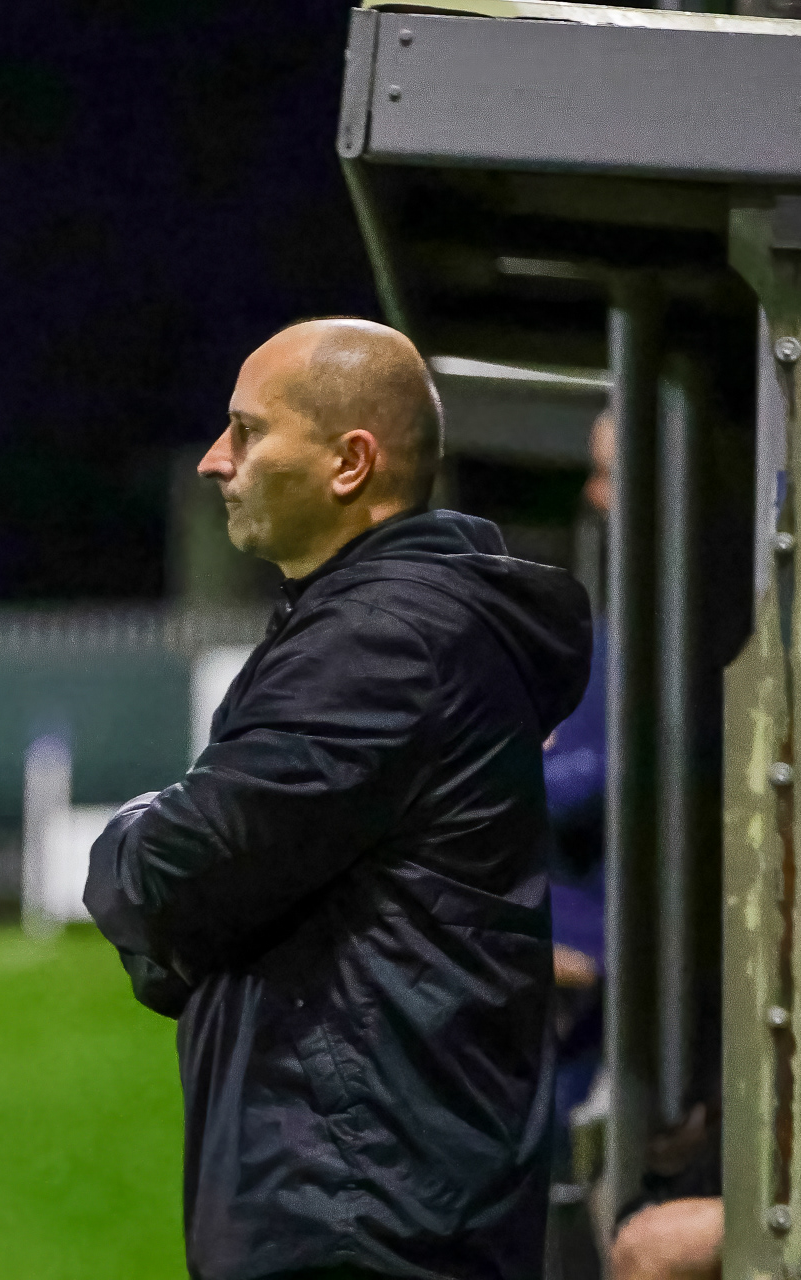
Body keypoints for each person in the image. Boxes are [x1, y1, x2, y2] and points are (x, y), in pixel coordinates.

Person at [85, 318, 593, 1280]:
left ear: (350, 463)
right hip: (385, 1192)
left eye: (246, 431)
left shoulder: (380, 640)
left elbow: (170, 877)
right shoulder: (395, 623)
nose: (215, 459)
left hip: (357, 1208)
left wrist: (130, 834)